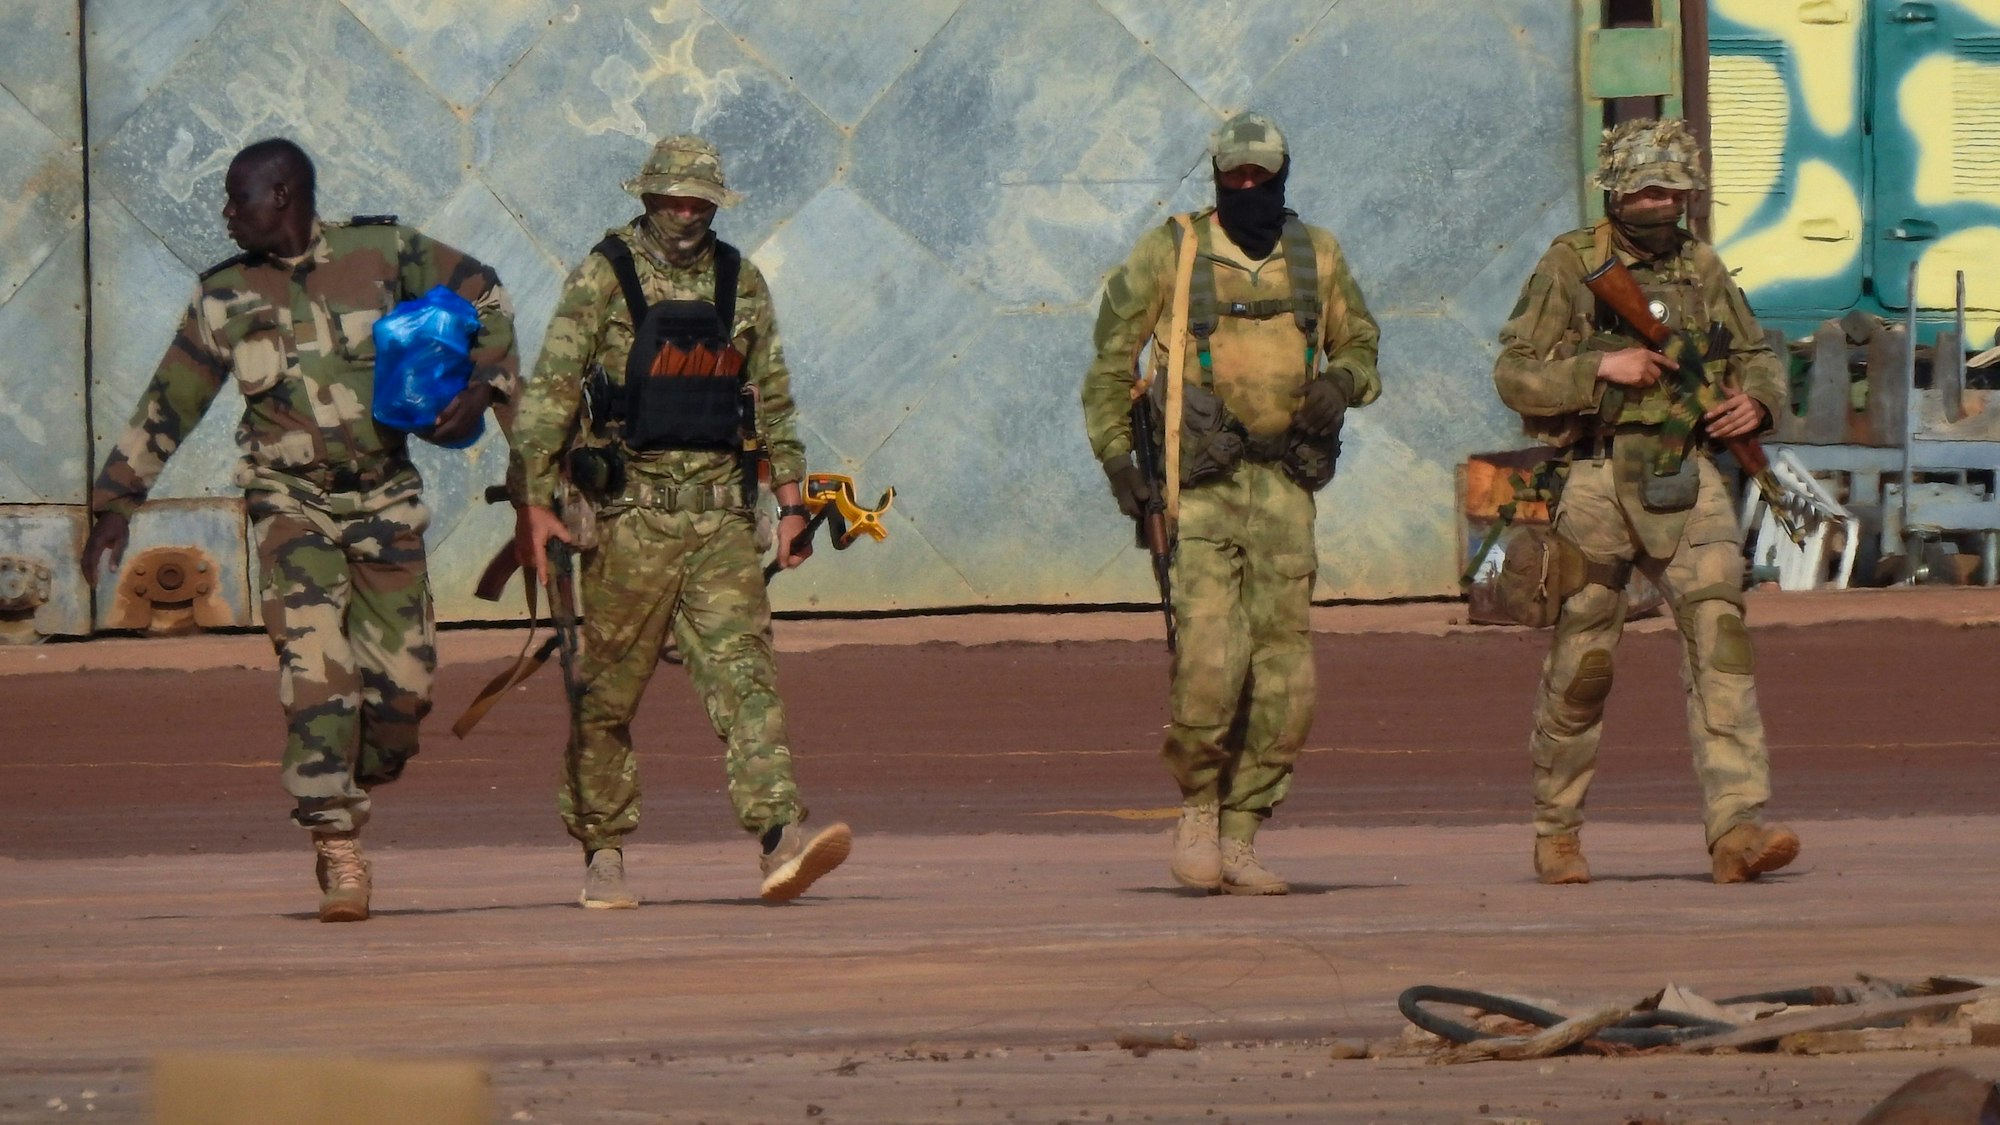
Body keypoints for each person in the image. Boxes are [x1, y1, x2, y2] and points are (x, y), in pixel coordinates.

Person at [83, 137, 518, 921]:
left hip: (386, 499)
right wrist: (114, 502)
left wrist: (485, 384)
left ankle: (355, 772)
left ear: (281, 195)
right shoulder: (224, 295)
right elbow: (168, 402)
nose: (225, 214)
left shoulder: (382, 251)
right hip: (291, 504)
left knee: (403, 696)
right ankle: (335, 843)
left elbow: (485, 293)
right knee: (316, 666)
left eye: (236, 199)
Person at [507, 134, 850, 909]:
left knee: (747, 679)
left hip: (723, 518)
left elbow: (775, 399)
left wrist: (793, 506)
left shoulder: (742, 281)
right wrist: (534, 502)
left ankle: (780, 837)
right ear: (648, 198)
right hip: (631, 520)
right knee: (606, 694)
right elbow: (553, 396)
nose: (685, 214)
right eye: (671, 200)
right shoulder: (604, 275)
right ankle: (604, 853)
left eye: (698, 202)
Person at [1493, 118, 1801, 885]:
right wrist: (1603, 369)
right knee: (1584, 665)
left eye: (1672, 188)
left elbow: (1758, 354)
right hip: (1597, 484)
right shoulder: (1573, 264)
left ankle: (1737, 829)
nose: (1660, 201)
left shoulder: (1701, 264)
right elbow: (1514, 372)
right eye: (1645, 189)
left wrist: (1756, 405)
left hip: (1687, 477)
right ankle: (1556, 830)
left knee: (1722, 651)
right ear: (1616, 191)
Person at [1080, 111, 1381, 895]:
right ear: (1216, 175)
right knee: (1210, 664)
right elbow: (1112, 361)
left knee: (1287, 680)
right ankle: (1199, 811)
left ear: (1283, 173)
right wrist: (1118, 458)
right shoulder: (1172, 252)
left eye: (1261, 175)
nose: (1248, 187)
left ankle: (1245, 831)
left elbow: (1363, 345)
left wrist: (1341, 384)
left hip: (1285, 490)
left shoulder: (1317, 254)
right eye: (1234, 176)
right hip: (1199, 494)